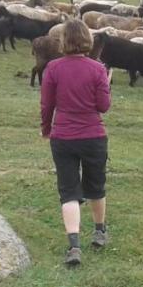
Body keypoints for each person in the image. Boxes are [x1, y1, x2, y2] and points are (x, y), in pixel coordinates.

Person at [39, 20, 111, 266]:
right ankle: (100, 231)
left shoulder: (53, 68)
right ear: (87, 41)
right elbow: (104, 106)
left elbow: (47, 104)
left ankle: (74, 246)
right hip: (93, 136)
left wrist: (47, 129)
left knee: (68, 191)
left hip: (63, 137)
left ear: (63, 41)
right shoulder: (98, 69)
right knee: (96, 185)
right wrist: (106, 84)